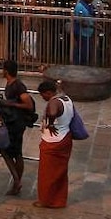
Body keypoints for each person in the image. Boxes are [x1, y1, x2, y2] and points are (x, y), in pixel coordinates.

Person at [0, 60, 37, 196]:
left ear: (6, 71)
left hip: (17, 123)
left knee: (9, 151)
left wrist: (11, 104)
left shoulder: (18, 86)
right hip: (12, 121)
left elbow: (28, 105)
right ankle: (16, 180)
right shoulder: (11, 84)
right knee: (13, 152)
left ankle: (16, 180)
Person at [35, 80, 73, 209]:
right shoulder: (66, 98)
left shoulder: (54, 102)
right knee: (60, 173)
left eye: (43, 95)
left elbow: (52, 112)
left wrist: (50, 124)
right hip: (65, 137)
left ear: (48, 92)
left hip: (53, 143)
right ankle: (59, 200)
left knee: (47, 174)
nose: (43, 98)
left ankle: (46, 200)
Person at [71, 0, 96, 66]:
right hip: (81, 33)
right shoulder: (80, 6)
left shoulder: (89, 5)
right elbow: (80, 21)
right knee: (81, 52)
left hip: (87, 33)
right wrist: (93, 26)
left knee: (85, 52)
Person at [20, 0, 38, 67]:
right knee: (27, 43)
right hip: (28, 24)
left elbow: (30, 10)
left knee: (29, 43)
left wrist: (27, 23)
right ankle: (27, 62)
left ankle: (30, 63)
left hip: (30, 25)